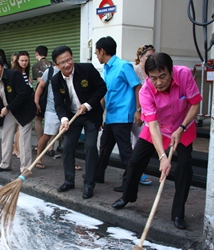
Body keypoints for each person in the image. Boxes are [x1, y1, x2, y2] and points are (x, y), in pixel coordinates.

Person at [111, 52, 202, 230]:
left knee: (184, 167)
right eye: (153, 78)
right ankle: (127, 196)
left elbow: (195, 104)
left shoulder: (183, 74)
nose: (159, 82)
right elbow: (152, 126)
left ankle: (178, 214)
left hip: (182, 126)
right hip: (158, 127)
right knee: (135, 161)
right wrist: (162, 157)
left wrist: (181, 128)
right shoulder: (146, 91)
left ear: (171, 71)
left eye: (163, 76)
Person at [51, 45, 106, 199]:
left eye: (69, 59)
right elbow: (58, 103)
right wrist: (63, 119)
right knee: (67, 147)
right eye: (62, 62)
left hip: (91, 115)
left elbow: (102, 89)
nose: (67, 64)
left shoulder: (87, 69)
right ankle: (69, 181)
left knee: (90, 147)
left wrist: (88, 105)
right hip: (72, 116)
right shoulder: (55, 80)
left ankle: (89, 184)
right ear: (56, 65)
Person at [93, 36, 141, 193]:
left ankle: (129, 183)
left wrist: (138, 110)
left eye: (96, 52)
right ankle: (98, 175)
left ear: (103, 51)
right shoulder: (106, 69)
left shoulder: (123, 66)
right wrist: (100, 115)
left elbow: (137, 87)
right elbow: (104, 93)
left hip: (123, 115)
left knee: (125, 151)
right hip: (111, 115)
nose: (96, 55)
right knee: (105, 146)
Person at [0, 54, 36, 174]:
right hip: (10, 112)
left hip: (24, 111)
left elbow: (23, 94)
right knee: (6, 137)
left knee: (23, 140)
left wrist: (8, 107)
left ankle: (25, 169)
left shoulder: (14, 75)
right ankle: (5, 164)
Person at [133, 44, 156, 186]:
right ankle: (137, 172)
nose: (150, 59)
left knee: (144, 142)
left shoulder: (154, 70)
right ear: (140, 57)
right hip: (138, 111)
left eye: (153, 56)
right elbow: (136, 91)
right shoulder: (135, 70)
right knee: (138, 141)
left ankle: (138, 171)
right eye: (148, 56)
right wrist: (138, 110)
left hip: (151, 111)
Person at [34, 65, 59, 169]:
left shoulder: (73, 70)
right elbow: (41, 86)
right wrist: (36, 100)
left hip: (67, 109)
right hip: (52, 109)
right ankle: (38, 158)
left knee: (70, 137)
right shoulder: (50, 71)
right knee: (47, 135)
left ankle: (71, 162)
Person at [11, 51, 33, 158]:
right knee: (20, 128)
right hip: (19, 104)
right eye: (22, 61)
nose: (24, 63)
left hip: (26, 104)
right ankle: (18, 150)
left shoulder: (26, 73)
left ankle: (16, 149)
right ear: (17, 61)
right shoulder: (16, 73)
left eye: (26, 61)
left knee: (19, 128)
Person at [32, 45, 53, 152]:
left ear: (36, 53)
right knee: (53, 119)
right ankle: (51, 147)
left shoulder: (36, 65)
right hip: (52, 93)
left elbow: (41, 82)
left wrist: (36, 100)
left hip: (41, 94)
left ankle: (41, 144)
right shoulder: (53, 65)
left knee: (38, 119)